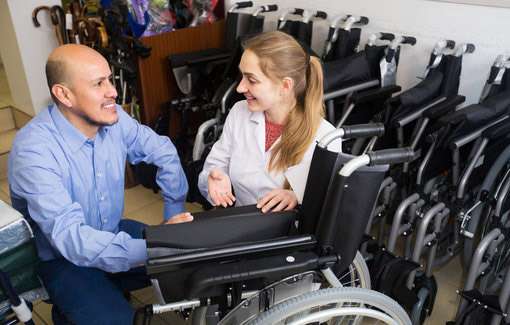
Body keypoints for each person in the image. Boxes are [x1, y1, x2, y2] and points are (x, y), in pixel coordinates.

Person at [8, 44, 192, 324]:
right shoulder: (34, 151)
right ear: (64, 94)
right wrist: (156, 249)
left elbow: (162, 151)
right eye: (98, 83)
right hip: (61, 258)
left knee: (192, 255)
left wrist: (172, 215)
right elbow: (72, 239)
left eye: (110, 79)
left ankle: (108, 288)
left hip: (110, 230)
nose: (113, 92)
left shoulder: (114, 118)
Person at [198, 31, 341, 212]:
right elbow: (213, 168)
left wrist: (296, 196)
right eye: (242, 76)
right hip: (238, 222)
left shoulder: (327, 139)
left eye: (251, 80)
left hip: (286, 235)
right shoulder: (239, 113)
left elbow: (326, 205)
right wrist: (214, 179)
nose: (241, 87)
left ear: (285, 86)